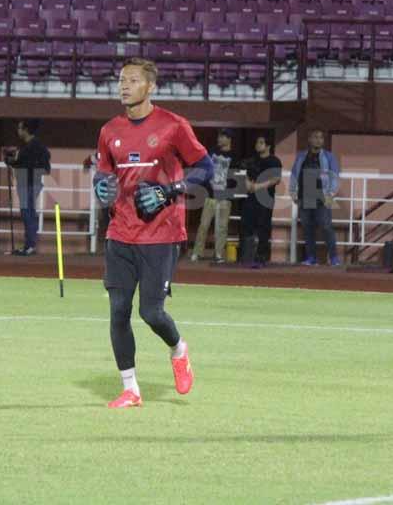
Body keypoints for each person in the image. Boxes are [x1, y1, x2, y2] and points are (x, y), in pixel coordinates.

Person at [92, 58, 213, 409]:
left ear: (150, 87)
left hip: (161, 234)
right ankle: (130, 388)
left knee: (151, 313)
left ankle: (179, 350)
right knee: (118, 311)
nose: (123, 86)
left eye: (131, 80)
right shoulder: (108, 130)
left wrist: (170, 190)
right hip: (120, 232)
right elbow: (103, 173)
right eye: (120, 80)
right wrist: (103, 188)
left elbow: (205, 168)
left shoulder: (174, 126)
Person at [290, 128, 341, 266]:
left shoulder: (329, 157)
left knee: (326, 226)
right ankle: (311, 258)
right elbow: (294, 174)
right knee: (307, 228)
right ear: (309, 139)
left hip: (323, 196)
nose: (318, 140)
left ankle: (334, 258)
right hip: (304, 195)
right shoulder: (301, 156)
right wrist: (293, 191)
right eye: (315, 137)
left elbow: (335, 176)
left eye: (321, 137)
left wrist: (331, 193)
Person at [5, 119, 52, 256]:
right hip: (27, 183)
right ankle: (29, 244)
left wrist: (14, 162)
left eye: (20, 128)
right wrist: (12, 161)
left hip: (30, 184)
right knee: (28, 212)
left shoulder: (33, 147)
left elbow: (42, 167)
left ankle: (30, 245)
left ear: (26, 130)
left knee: (28, 213)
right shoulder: (29, 146)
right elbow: (21, 163)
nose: (18, 131)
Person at [190, 131, 235, 263]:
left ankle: (219, 254)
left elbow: (237, 177)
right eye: (218, 137)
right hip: (210, 195)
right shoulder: (212, 152)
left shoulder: (235, 156)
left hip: (225, 197)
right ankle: (197, 252)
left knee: (222, 227)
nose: (219, 139)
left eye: (222, 137)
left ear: (229, 139)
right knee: (204, 225)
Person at [242, 136, 283, 268]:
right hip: (251, 198)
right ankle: (247, 257)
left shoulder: (274, 161)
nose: (258, 145)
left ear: (268, 146)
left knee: (263, 227)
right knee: (247, 225)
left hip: (265, 199)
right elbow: (247, 176)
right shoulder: (252, 160)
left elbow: (276, 179)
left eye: (261, 142)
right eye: (257, 142)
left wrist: (257, 187)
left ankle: (261, 258)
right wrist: (249, 186)